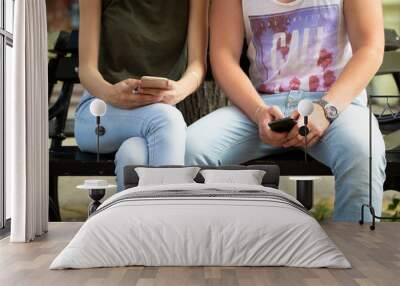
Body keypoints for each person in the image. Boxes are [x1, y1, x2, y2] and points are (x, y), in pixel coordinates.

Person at [186, 0, 386, 222]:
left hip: (335, 105)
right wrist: (258, 111)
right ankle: (202, 250)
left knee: (363, 152)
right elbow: (223, 56)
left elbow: (370, 48)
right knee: (190, 148)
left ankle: (354, 253)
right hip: (262, 105)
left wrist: (326, 108)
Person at [75, 0, 208, 191]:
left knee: (133, 154)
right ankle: (171, 219)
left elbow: (198, 65)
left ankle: (128, 220)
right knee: (167, 119)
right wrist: (112, 94)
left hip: (155, 117)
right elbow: (87, 70)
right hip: (100, 111)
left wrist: (178, 90)